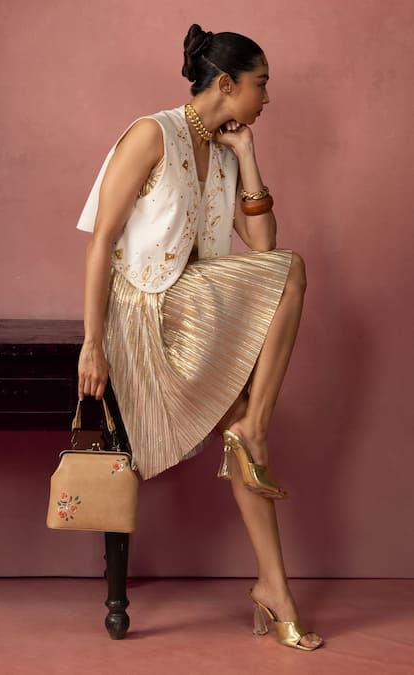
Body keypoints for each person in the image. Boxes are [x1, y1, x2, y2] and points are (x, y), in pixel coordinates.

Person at [76, 24, 324, 651]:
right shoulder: (151, 133)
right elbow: (101, 242)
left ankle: (275, 589)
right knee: (292, 271)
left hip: (191, 310)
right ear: (227, 84)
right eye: (261, 83)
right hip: (142, 312)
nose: (267, 96)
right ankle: (253, 426)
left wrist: (247, 155)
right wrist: (92, 342)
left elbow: (262, 248)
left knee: (244, 422)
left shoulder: (223, 151)